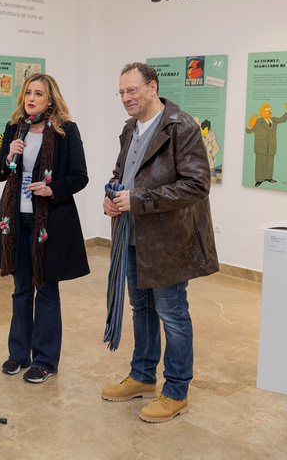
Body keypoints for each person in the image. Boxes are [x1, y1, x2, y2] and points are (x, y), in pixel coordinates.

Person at [102, 62, 219, 423]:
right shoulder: (130, 129)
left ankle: (176, 391)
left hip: (168, 240)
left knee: (173, 314)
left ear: (152, 88)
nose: (126, 98)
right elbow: (123, 174)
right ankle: (141, 376)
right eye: (122, 92)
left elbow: (197, 184)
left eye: (132, 90)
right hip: (134, 237)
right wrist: (112, 195)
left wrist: (138, 200)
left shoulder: (181, 126)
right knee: (143, 310)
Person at [0, 73, 89, 384]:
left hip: (50, 223)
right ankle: (18, 354)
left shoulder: (65, 131)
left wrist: (51, 189)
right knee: (20, 289)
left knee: (45, 290)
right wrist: (9, 155)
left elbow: (79, 177)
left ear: (51, 99)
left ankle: (45, 360)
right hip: (15, 221)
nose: (31, 98)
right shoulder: (14, 129)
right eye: (28, 93)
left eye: (39, 94)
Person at [246, 101, 287, 186]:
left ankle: (268, 177)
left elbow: (282, 119)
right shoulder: (257, 122)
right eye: (266, 111)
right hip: (261, 147)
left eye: (270, 111)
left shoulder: (274, 120)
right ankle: (259, 179)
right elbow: (248, 131)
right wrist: (250, 126)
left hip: (271, 147)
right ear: (261, 113)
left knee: (270, 163)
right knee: (260, 164)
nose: (269, 113)